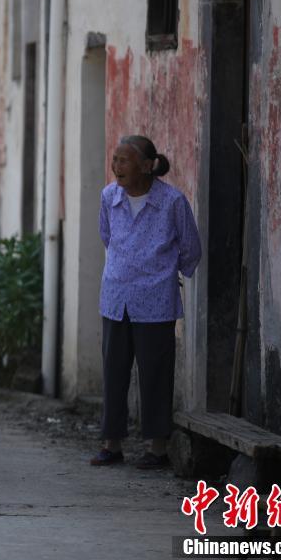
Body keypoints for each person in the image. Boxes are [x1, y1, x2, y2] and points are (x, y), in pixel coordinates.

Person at [90, 135, 201, 470]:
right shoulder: (110, 196)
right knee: (114, 372)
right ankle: (112, 444)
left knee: (155, 374)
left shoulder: (172, 202)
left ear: (146, 165)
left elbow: (191, 249)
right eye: (115, 159)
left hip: (156, 301)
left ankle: (157, 448)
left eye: (124, 160)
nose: (116, 166)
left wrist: (162, 273)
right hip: (116, 298)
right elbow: (106, 236)